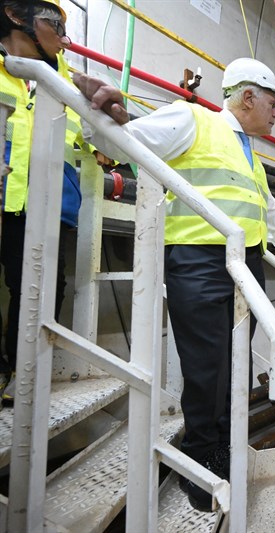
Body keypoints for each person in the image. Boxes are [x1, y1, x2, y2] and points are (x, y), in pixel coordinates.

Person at [74, 57, 275, 511]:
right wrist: (101, 114)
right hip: (199, 261)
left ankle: (224, 451)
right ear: (248, 97)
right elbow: (124, 140)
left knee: (234, 366)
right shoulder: (193, 120)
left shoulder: (250, 154)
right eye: (273, 103)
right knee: (207, 369)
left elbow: (270, 212)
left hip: (244, 267)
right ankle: (199, 465)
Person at [0, 0, 108, 402]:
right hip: (8, 193)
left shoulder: (64, 78)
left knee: (42, 288)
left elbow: (87, 132)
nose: (64, 39)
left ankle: (22, 370)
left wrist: (105, 142)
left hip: (50, 199)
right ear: (15, 15)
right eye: (56, 26)